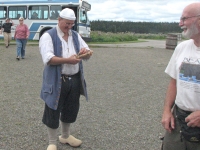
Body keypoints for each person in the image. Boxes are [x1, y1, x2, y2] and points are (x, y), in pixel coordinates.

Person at [39, 8, 92, 150]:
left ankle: (65, 136)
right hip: (56, 80)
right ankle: (52, 142)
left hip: (74, 79)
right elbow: (48, 58)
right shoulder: (48, 36)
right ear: (59, 20)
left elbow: (88, 52)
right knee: (52, 109)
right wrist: (67, 60)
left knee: (71, 109)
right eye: (66, 24)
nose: (69, 27)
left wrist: (84, 53)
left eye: (71, 24)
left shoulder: (75, 35)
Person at [161, 2, 200, 150]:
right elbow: (173, 82)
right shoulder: (182, 48)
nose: (180, 23)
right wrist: (166, 111)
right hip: (178, 121)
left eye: (184, 19)